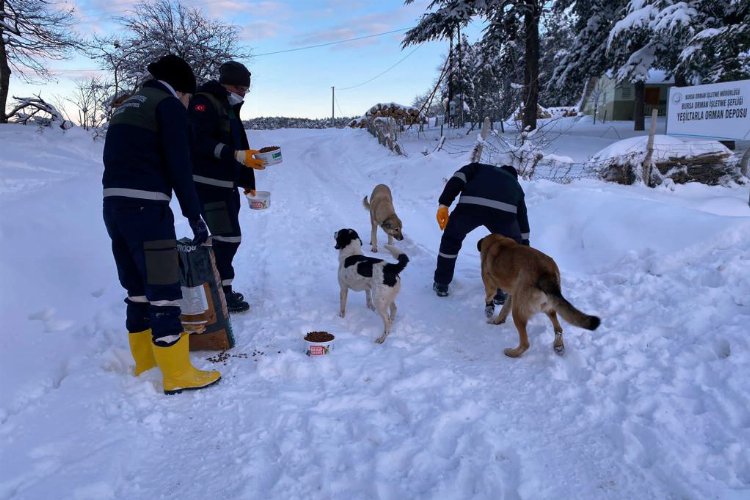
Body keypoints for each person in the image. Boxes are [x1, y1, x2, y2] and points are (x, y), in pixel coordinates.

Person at [102, 54, 220, 395]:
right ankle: (177, 373)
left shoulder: (127, 106)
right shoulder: (166, 105)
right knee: (164, 289)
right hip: (147, 208)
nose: (188, 104)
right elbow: (179, 164)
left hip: (113, 205)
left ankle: (146, 364)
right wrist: (194, 214)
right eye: (189, 98)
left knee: (136, 289)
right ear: (182, 90)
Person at [187, 60, 265, 313]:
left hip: (226, 185)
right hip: (207, 184)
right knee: (228, 238)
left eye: (246, 89)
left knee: (226, 238)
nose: (242, 93)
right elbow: (198, 141)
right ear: (226, 84)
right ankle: (219, 293)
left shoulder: (229, 107)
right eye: (239, 87)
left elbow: (239, 144)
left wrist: (247, 181)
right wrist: (236, 155)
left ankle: (220, 290)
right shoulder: (204, 102)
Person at [433, 161, 530, 300]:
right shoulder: (516, 185)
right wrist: (523, 245)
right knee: (509, 250)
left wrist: (444, 203)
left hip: (470, 207)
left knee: (451, 239)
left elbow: (458, 179)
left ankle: (441, 283)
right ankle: (501, 290)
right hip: (503, 215)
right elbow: (522, 218)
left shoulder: (478, 168)